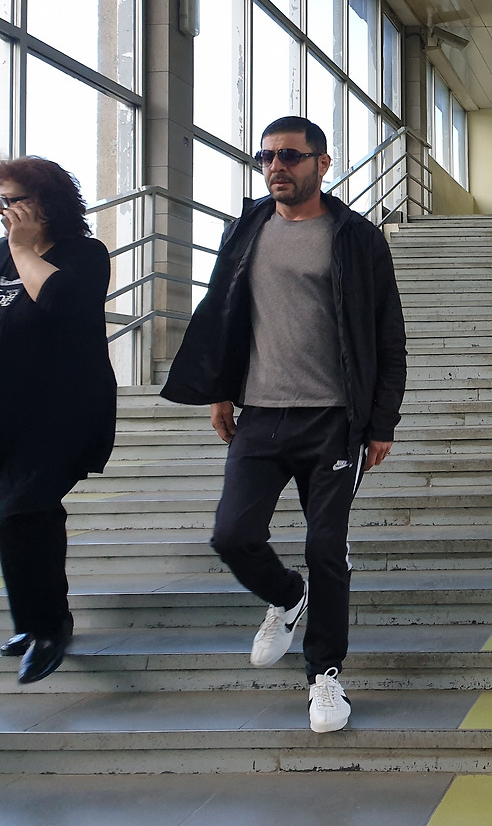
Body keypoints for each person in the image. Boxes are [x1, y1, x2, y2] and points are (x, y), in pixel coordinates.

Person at [161, 115, 407, 734]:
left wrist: (381, 422)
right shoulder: (246, 229)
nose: (276, 166)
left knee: (327, 548)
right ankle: (286, 595)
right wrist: (221, 390)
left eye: (290, 156)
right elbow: (223, 312)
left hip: (334, 420)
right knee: (231, 535)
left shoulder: (356, 237)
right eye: (266, 156)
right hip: (261, 413)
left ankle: (325, 674)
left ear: (322, 163)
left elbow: (388, 335)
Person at [0, 159, 116, 685]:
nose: (7, 212)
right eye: (1, 202)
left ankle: (47, 630)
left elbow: (59, 302)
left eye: (15, 200)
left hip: (65, 412)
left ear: (46, 203)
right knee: (22, 515)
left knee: (23, 510)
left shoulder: (84, 255)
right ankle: (37, 623)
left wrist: (23, 249)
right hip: (10, 413)